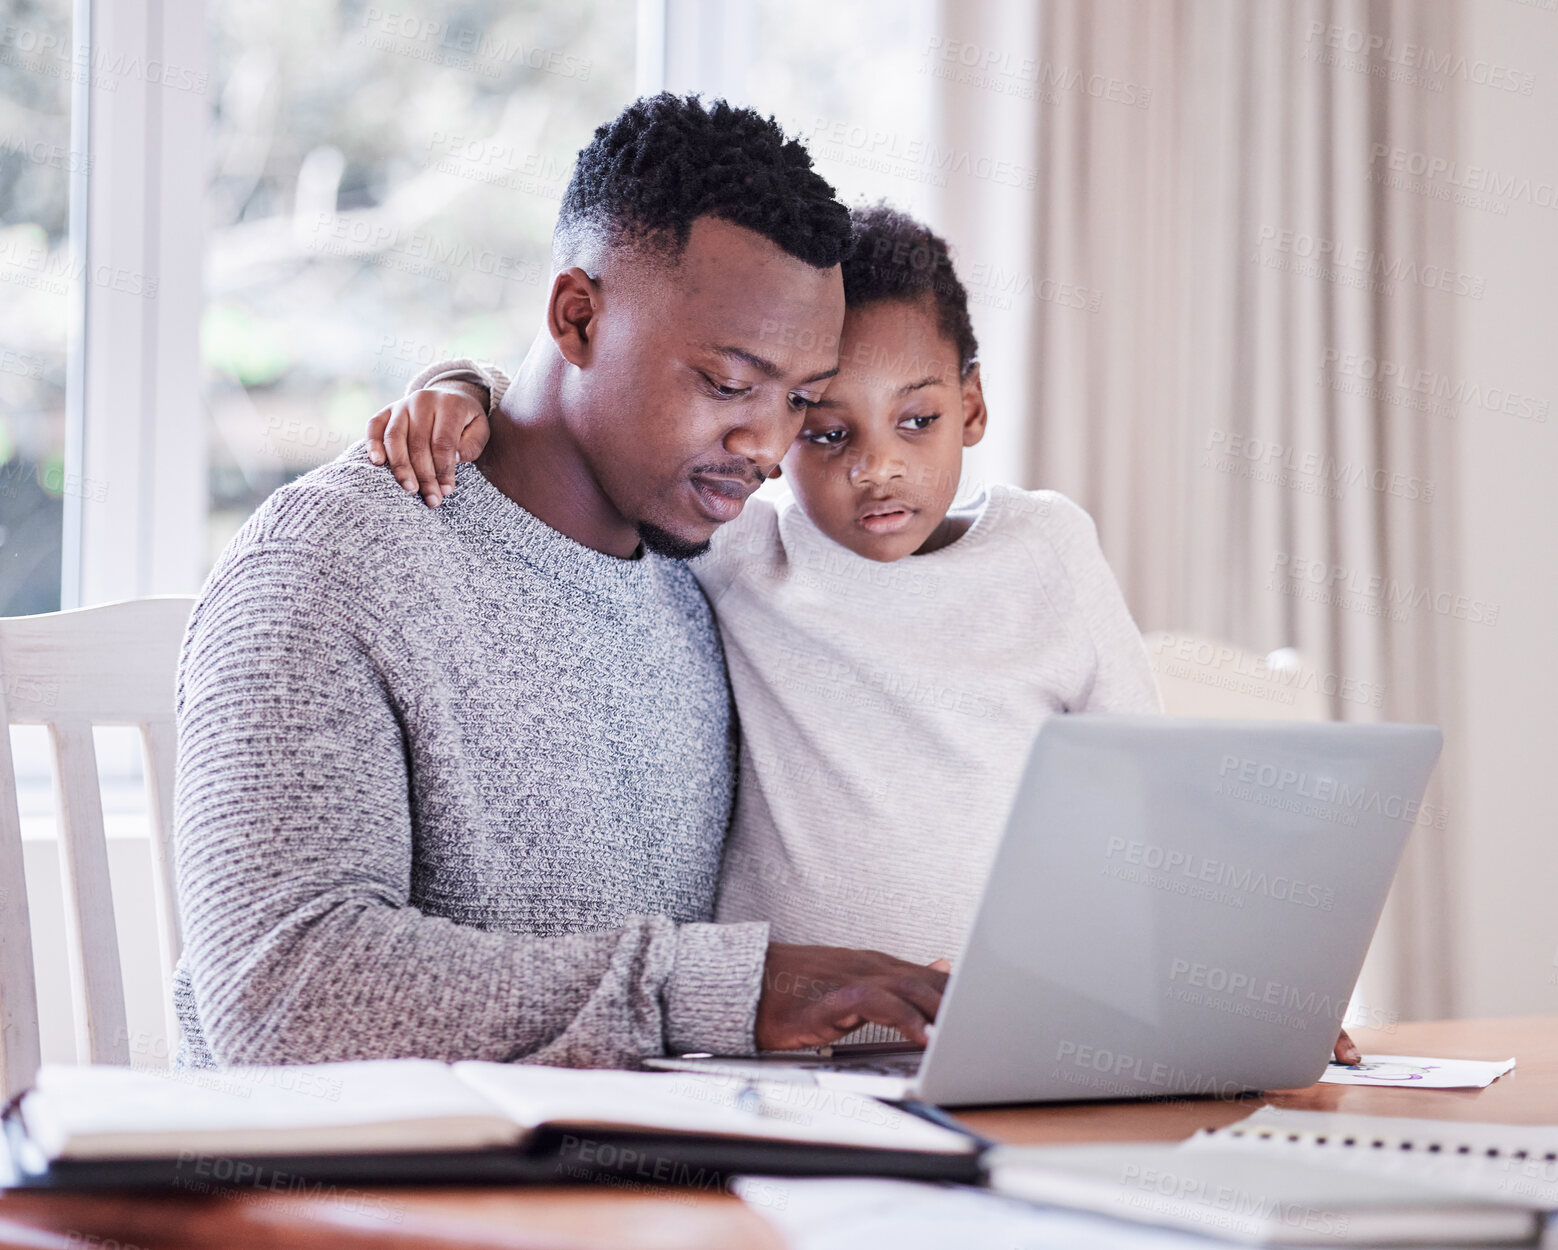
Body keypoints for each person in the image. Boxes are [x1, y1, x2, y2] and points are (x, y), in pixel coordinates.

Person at [378, 204, 1365, 1062]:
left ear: (970, 407)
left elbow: (1154, 804)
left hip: (1015, 1043)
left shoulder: (1047, 551)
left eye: (916, 421)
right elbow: (579, 421)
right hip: (780, 1058)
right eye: (826, 431)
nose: (876, 469)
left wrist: (1241, 987)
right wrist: (458, 389)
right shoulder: (744, 554)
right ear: (775, 428)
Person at [171, 95, 950, 1073]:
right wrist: (726, 989)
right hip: (376, 1202)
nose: (764, 445)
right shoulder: (331, 563)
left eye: (798, 400)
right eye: (725, 383)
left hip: (654, 1176)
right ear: (576, 316)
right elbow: (282, 998)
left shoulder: (706, 583)